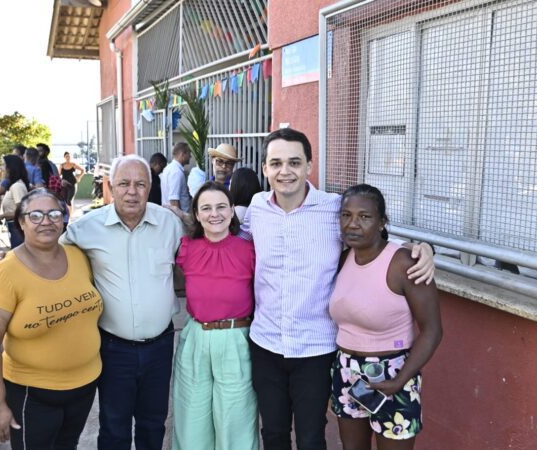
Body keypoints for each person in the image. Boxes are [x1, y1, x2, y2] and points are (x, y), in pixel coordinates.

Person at [241, 128, 434, 450]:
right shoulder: (257, 208)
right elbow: (229, 237)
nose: (284, 171)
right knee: (272, 433)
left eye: (294, 162)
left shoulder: (333, 209)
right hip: (266, 343)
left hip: (316, 347)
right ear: (264, 169)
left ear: (309, 166)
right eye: (275, 163)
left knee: (311, 436)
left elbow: (372, 234)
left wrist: (421, 248)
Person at [0, 154, 183, 450]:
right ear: (111, 187)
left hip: (161, 345)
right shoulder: (86, 228)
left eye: (140, 184)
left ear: (150, 187)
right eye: (124, 183)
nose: (132, 191)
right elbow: (44, 247)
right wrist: (3, 257)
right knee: (114, 425)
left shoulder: (170, 224)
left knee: (153, 421)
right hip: (114, 348)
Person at [0, 189, 103, 449]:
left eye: (54, 214)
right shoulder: (4, 274)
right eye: (35, 215)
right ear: (21, 222)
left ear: (64, 219)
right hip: (32, 395)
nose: (46, 221)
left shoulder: (79, 257)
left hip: (84, 388)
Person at [329, 184, 442, 449]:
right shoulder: (343, 258)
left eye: (364, 217)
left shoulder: (404, 264)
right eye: (346, 215)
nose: (353, 224)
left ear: (382, 222)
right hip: (347, 373)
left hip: (394, 374)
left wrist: (400, 382)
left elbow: (433, 330)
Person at [172, 181, 258, 450]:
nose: (215, 214)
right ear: (196, 214)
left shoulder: (249, 251)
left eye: (221, 206)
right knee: (192, 419)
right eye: (206, 208)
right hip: (196, 336)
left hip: (236, 338)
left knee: (236, 421)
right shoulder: (187, 248)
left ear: (232, 211)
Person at [0, 155, 30, 249]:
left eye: (3, 165)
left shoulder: (17, 186)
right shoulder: (13, 185)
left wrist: (2, 216)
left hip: (17, 227)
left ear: (10, 168)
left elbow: (22, 211)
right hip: (13, 226)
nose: (1, 168)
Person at [161, 142, 191, 212]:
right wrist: (180, 219)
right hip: (176, 217)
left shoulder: (170, 168)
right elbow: (174, 200)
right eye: (189, 153)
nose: (190, 156)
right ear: (182, 154)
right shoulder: (176, 172)